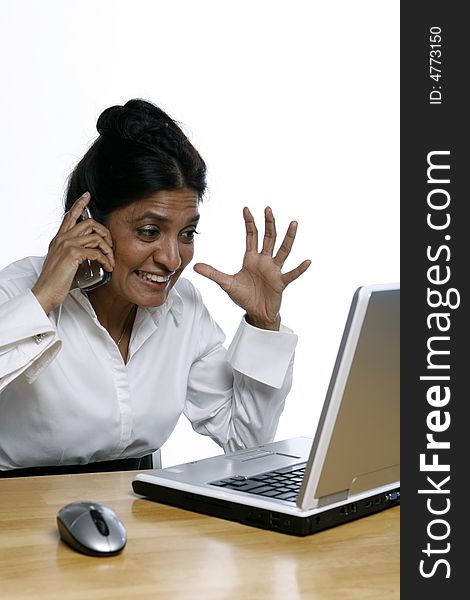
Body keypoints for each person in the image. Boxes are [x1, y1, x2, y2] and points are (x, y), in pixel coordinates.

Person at [0, 99, 310, 475]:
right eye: (149, 232)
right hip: (17, 515)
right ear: (88, 223)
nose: (172, 259)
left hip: (134, 518)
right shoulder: (17, 291)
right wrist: (45, 298)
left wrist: (264, 324)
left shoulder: (183, 308)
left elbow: (244, 442)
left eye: (186, 233)